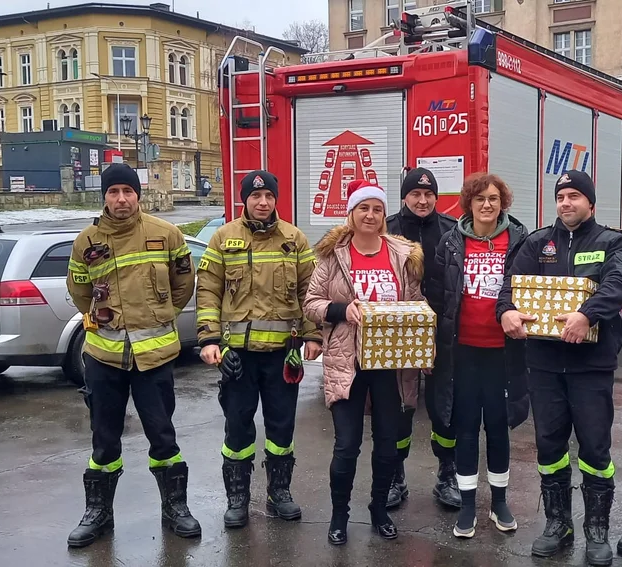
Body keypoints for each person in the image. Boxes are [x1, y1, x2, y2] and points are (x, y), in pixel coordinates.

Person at [496, 170, 622, 566]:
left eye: (575, 196)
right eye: (561, 197)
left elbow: (617, 285)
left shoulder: (612, 242)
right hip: (544, 363)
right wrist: (505, 312)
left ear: (590, 202)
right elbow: (510, 284)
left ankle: (596, 529)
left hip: (591, 364)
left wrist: (587, 315)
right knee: (550, 445)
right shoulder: (537, 243)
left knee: (594, 446)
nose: (566, 203)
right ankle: (558, 523)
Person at [65, 163, 201, 547]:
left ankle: (175, 508)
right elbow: (79, 291)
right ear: (104, 196)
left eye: (128, 191)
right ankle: (98, 514)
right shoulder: (85, 241)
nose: (121, 199)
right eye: (113, 192)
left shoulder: (166, 234)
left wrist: (159, 317)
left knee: (163, 435)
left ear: (137, 194)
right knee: (104, 441)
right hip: (104, 358)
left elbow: (182, 284)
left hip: (154, 358)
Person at [194, 170, 322, 529]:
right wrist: (209, 340)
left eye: (268, 196)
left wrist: (313, 336)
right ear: (244, 200)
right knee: (238, 428)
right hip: (238, 356)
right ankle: (238, 498)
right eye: (255, 196)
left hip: (283, 354)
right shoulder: (223, 238)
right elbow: (208, 293)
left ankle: (279, 492)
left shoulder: (294, 239)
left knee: (281, 428)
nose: (262, 202)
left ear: (275, 200)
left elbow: (309, 291)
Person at [303, 180, 425, 545]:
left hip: (390, 365)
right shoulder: (332, 257)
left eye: (376, 209)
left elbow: (416, 304)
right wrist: (342, 309)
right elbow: (311, 303)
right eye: (363, 208)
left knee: (388, 445)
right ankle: (340, 515)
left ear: (382, 214)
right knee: (347, 445)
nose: (370, 215)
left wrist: (423, 348)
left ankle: (379, 509)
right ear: (351, 214)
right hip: (347, 363)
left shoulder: (403, 255)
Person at [431, 172, 531, 538]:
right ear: (468, 204)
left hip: (504, 352)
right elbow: (440, 295)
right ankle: (469, 504)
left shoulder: (521, 242)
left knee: (499, 428)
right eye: (479, 199)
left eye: (493, 198)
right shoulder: (451, 243)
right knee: (466, 427)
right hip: (463, 352)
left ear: (502, 202)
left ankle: (499, 501)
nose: (486, 205)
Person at [385, 166, 462, 510]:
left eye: (429, 194)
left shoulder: (451, 231)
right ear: (405, 196)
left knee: (445, 409)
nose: (422, 200)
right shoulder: (386, 230)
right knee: (398, 407)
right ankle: (393, 475)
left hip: (443, 336)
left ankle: (448, 473)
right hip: (397, 336)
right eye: (415, 194)